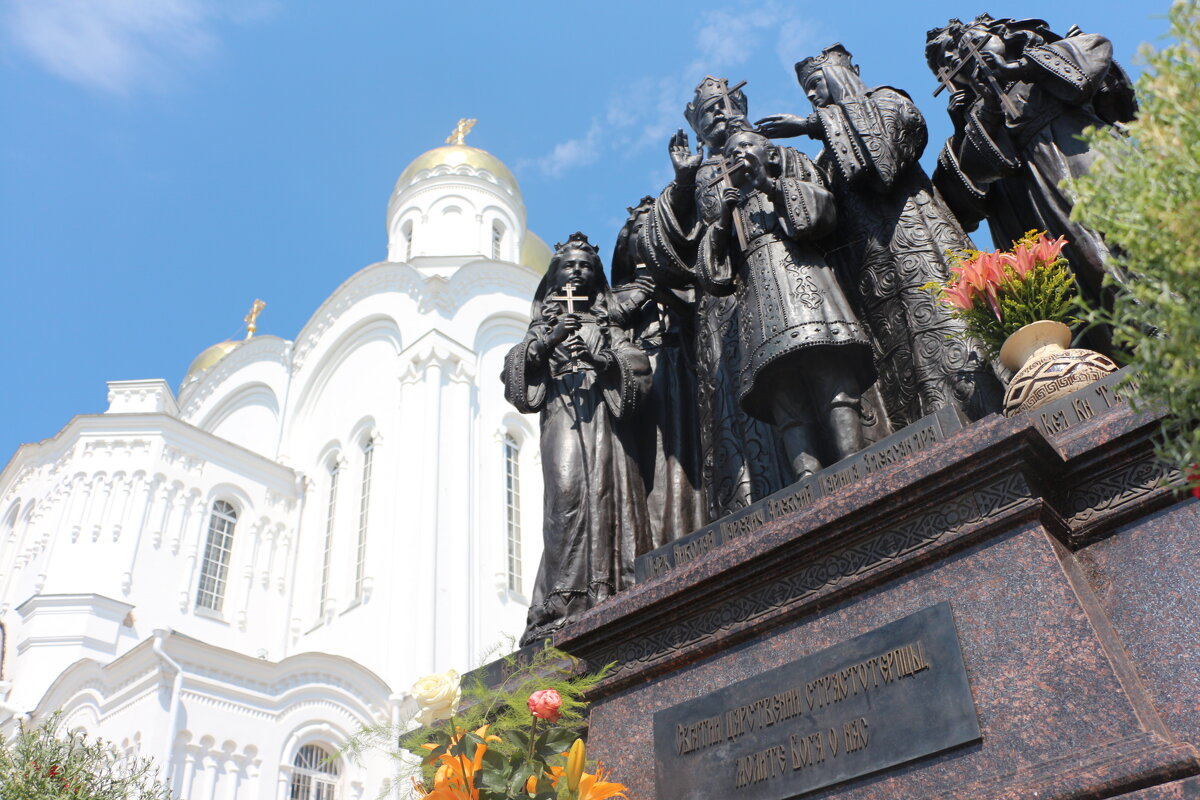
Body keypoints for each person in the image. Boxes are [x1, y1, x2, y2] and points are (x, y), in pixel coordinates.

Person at [757, 44, 1003, 426]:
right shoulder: (828, 156)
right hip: (870, 271)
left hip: (915, 237)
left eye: (816, 82)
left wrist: (811, 125)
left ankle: (991, 410)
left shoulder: (888, 101)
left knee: (950, 324)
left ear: (840, 75)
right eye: (805, 88)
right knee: (899, 356)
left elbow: (884, 163)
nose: (810, 93)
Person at [925, 15, 1136, 351]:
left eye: (968, 43)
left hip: (1079, 153)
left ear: (1002, 35)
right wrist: (987, 109)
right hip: (1033, 196)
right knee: (1081, 267)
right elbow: (976, 174)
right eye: (945, 62)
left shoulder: (1044, 57)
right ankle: (1122, 344)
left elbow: (1093, 55)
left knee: (1120, 236)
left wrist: (1018, 68)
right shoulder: (978, 118)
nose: (956, 56)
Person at [696, 122, 876, 478]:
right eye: (730, 153)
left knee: (831, 373)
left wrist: (767, 184)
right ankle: (806, 475)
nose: (737, 156)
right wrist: (720, 224)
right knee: (783, 391)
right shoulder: (732, 210)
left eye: (746, 147)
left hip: (804, 278)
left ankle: (852, 458)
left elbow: (823, 215)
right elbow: (712, 275)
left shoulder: (782, 185)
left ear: (770, 153)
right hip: (758, 302)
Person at [502, 233, 652, 645]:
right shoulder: (544, 327)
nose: (578, 271)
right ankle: (563, 601)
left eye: (586, 266)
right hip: (562, 416)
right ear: (554, 276)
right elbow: (515, 380)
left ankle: (610, 590)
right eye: (569, 265)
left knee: (608, 495)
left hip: (605, 419)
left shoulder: (608, 324)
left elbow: (637, 369)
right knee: (566, 498)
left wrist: (602, 358)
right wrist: (550, 341)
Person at [610, 197, 706, 550]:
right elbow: (604, 331)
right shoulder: (614, 296)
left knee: (690, 447)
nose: (646, 233)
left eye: (655, 226)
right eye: (638, 228)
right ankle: (658, 538)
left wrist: (667, 287)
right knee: (653, 458)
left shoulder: (686, 275)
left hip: (685, 367)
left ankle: (695, 522)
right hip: (642, 379)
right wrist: (637, 299)